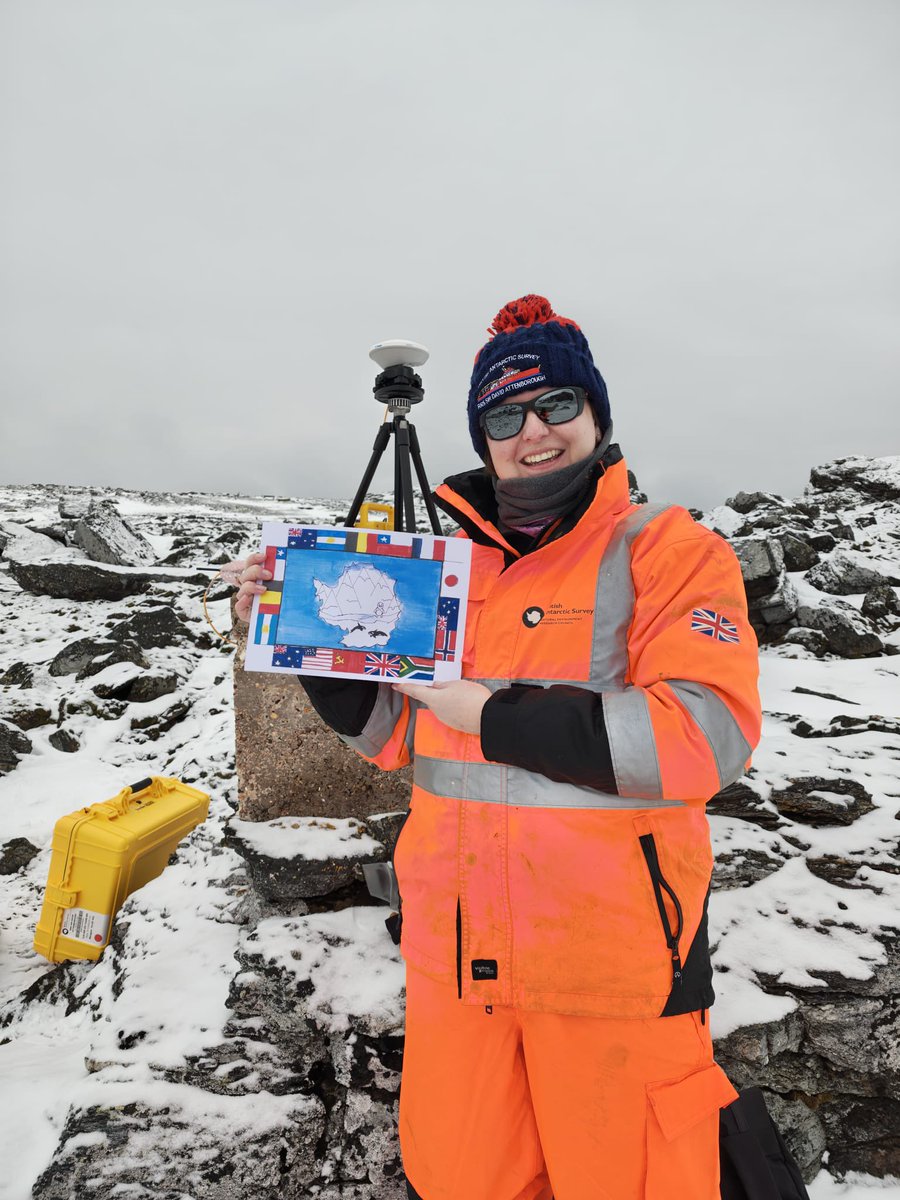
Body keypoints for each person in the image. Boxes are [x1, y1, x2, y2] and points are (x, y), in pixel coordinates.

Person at [234, 295, 762, 1200]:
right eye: (505, 417)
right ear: (483, 438)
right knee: (464, 1180)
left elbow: (705, 737)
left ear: (597, 413)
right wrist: (301, 640)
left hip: (616, 969)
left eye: (557, 404)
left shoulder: (671, 552)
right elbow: (400, 735)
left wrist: (492, 714)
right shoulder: (451, 572)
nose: (534, 432)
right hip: (458, 967)